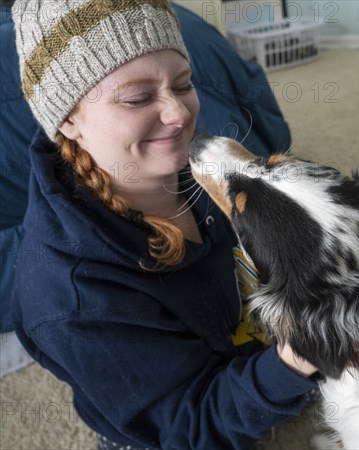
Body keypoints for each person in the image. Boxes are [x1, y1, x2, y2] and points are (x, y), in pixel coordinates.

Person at [10, 1, 319, 449]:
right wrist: (303, 354)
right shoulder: (71, 296)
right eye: (137, 98)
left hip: (246, 353)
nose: (179, 115)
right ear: (68, 120)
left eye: (184, 83)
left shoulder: (193, 165)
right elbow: (188, 426)